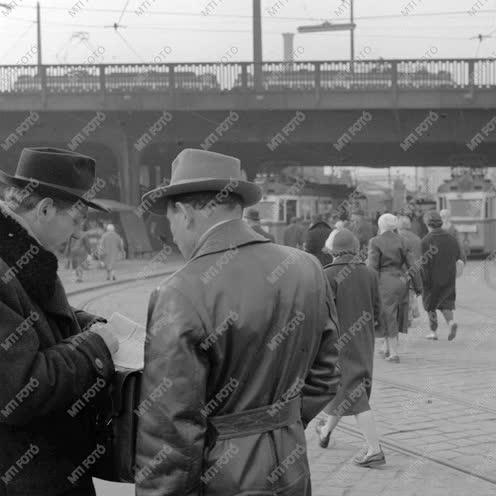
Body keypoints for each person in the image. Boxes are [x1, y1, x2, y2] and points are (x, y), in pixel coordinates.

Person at [135, 149, 340, 496]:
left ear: (184, 215)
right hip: (291, 468)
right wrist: (277, 424)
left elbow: (170, 429)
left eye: (170, 224)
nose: (173, 235)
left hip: (221, 480)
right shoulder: (307, 269)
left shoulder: (179, 291)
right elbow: (326, 375)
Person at [0, 147, 119, 496]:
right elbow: (20, 388)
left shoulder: (22, 255)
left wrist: (84, 324)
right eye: (77, 220)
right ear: (46, 208)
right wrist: (95, 347)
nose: (80, 234)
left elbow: (35, 320)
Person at [316, 229, 386, 468]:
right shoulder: (369, 273)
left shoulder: (327, 274)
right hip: (364, 340)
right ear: (356, 248)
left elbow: (321, 315)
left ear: (332, 249)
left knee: (352, 391)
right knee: (350, 388)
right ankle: (325, 431)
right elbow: (377, 311)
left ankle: (374, 450)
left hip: (338, 343)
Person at [367, 213, 422, 363]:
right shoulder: (403, 241)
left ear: (380, 226)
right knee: (395, 314)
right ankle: (386, 348)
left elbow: (372, 267)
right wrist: (418, 286)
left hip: (384, 281)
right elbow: (413, 265)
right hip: (402, 280)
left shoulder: (375, 242)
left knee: (387, 315)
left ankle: (393, 353)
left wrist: (368, 286)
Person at [420, 210, 463, 341]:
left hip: (432, 278)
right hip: (449, 276)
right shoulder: (451, 238)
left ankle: (433, 332)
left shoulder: (426, 240)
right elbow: (458, 256)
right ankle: (451, 323)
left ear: (428, 224)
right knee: (446, 303)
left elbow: (424, 263)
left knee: (431, 305)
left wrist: (423, 281)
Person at [397, 215, 422, 324]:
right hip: (414, 269)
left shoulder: (397, 237)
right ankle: (410, 315)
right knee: (411, 292)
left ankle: (407, 317)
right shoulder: (417, 238)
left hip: (400, 270)